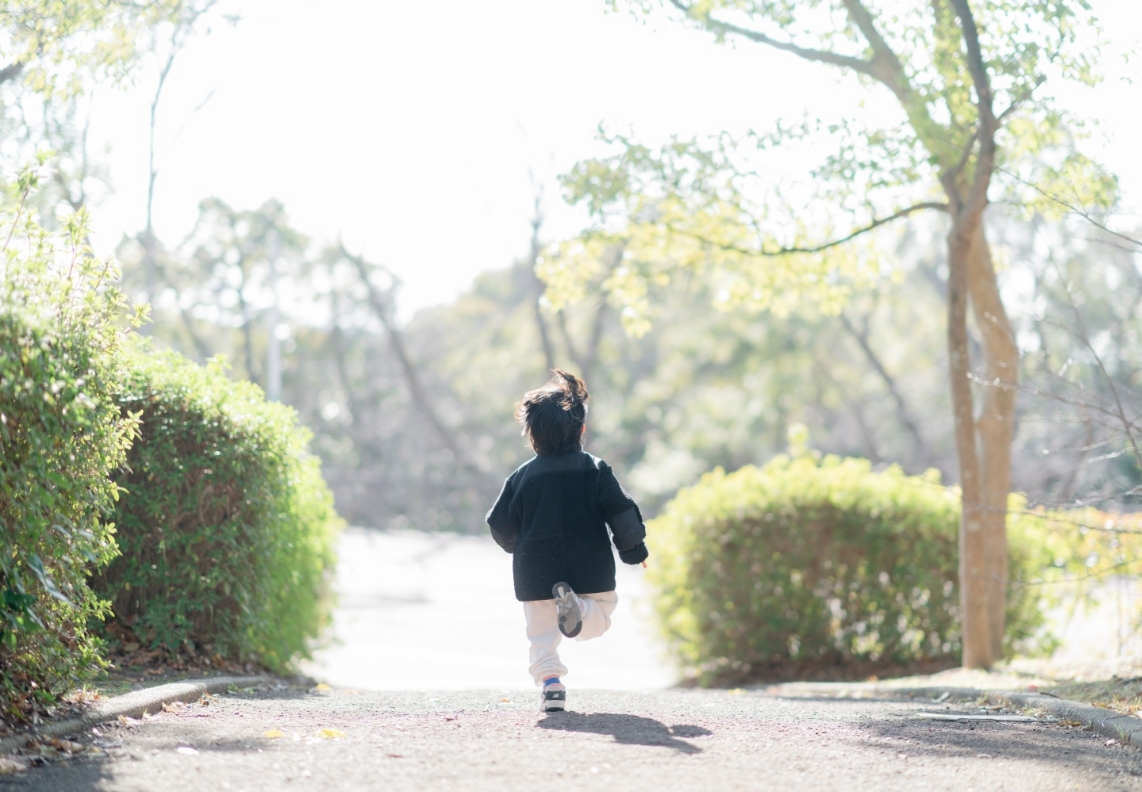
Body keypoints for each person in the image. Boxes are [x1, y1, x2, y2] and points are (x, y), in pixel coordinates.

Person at [486, 369, 649, 713]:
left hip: (536, 570)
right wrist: (635, 551)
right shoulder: (596, 470)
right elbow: (621, 511)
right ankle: (579, 608)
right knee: (600, 617)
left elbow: (499, 524)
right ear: (582, 430)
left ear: (531, 434)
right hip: (589, 565)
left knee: (542, 637)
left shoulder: (521, 477)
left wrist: (517, 546)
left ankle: (552, 687)